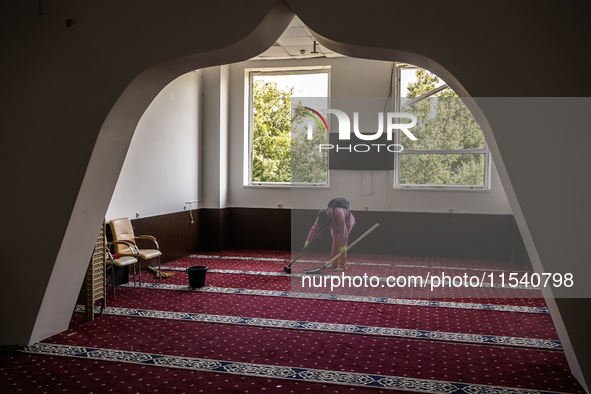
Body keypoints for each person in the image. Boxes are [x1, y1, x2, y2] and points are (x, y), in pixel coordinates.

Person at [304, 199, 356, 271]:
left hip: (346, 223)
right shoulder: (321, 216)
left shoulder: (338, 213)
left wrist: (343, 245)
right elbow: (314, 229)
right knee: (335, 242)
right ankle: (334, 263)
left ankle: (342, 265)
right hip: (335, 225)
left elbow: (343, 229)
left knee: (339, 241)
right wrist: (308, 241)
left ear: (328, 217)